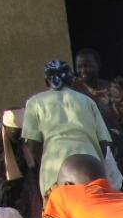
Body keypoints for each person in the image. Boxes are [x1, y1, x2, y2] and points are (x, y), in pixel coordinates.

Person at [23, 60, 113, 197]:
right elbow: (104, 142)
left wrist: (45, 161)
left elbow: (32, 143)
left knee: (59, 209)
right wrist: (96, 162)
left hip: (55, 170)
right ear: (71, 79)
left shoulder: (34, 103)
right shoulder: (87, 101)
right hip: (89, 168)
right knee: (94, 207)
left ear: (47, 81)